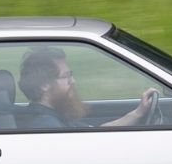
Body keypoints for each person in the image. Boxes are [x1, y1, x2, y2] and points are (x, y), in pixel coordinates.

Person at [16, 46, 156, 129]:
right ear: (44, 85)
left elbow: (95, 133)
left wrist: (138, 113)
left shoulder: (54, 116)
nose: (73, 81)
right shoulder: (47, 126)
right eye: (66, 77)